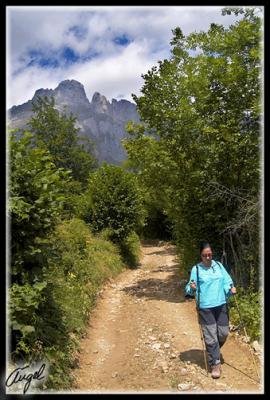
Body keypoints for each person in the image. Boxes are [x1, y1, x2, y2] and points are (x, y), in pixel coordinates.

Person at [185, 242, 236, 379]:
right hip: (205, 307)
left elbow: (227, 281)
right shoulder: (196, 269)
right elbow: (189, 289)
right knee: (211, 336)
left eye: (210, 254)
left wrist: (230, 288)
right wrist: (192, 287)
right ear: (201, 256)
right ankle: (215, 363)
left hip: (221, 304)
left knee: (223, 333)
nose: (208, 257)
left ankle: (213, 351)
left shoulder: (218, 266)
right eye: (205, 255)